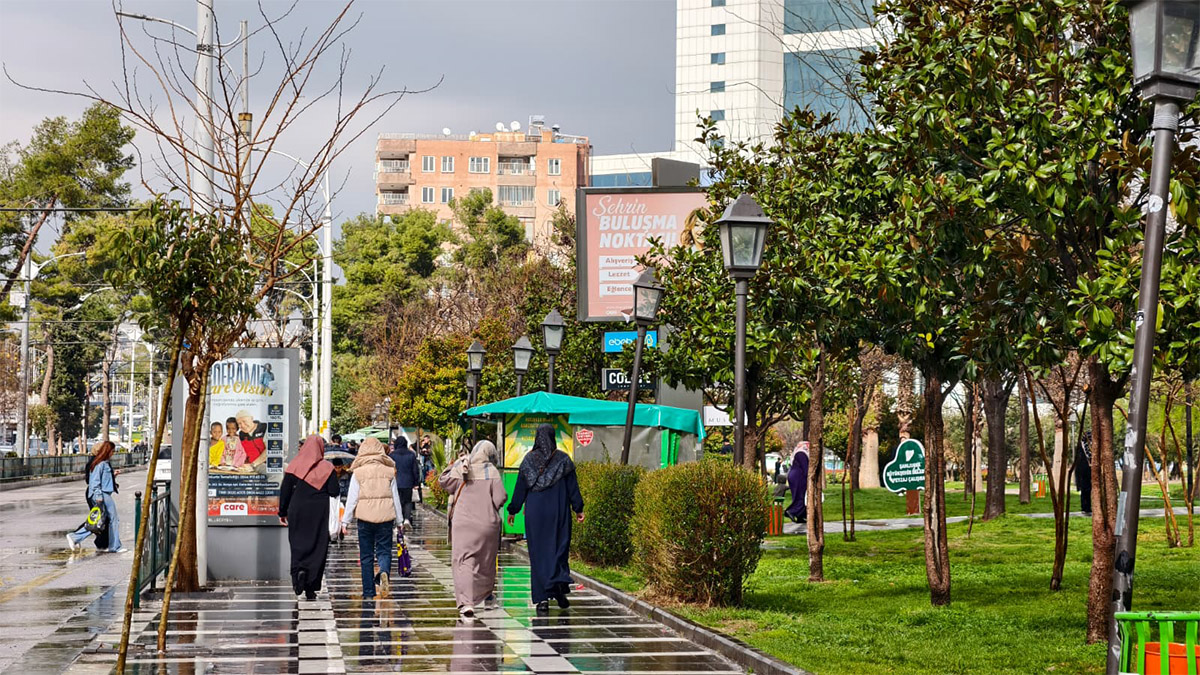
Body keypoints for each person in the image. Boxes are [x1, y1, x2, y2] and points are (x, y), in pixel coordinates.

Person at [506, 424, 584, 613]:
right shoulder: (563, 460)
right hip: (558, 512)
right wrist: (578, 508)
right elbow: (573, 487)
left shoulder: (528, 460)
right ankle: (558, 589)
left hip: (536, 513)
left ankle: (542, 599)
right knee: (559, 549)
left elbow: (520, 488)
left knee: (539, 554)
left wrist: (513, 510)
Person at [439, 440, 508, 618]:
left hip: (463, 525)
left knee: (464, 562)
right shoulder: (491, 471)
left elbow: (443, 481)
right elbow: (500, 498)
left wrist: (456, 463)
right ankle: (486, 595)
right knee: (486, 562)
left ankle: (467, 603)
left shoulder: (462, 467)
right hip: (487, 525)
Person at [340, 437, 405, 600]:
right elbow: (394, 497)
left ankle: (368, 591)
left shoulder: (358, 472)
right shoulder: (389, 471)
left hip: (365, 518)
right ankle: (383, 571)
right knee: (384, 551)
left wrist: (345, 521)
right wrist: (400, 521)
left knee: (366, 555)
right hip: (385, 518)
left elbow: (352, 498)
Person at [279, 435, 340, 600]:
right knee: (317, 547)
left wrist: (282, 512)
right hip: (319, 513)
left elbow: (285, 491)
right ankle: (311, 586)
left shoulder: (294, 466)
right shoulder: (327, 468)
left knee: (298, 545)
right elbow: (334, 491)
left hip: (297, 510)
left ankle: (298, 573)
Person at [66, 440, 126, 553]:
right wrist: (98, 496)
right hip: (102, 494)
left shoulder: (102, 463)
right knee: (112, 520)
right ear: (108, 451)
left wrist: (113, 476)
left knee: (100, 521)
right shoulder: (101, 464)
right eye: (112, 451)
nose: (113, 453)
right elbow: (94, 482)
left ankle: (75, 537)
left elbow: (103, 479)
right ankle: (114, 546)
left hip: (102, 493)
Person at [389, 436, 422, 527]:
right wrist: (416, 482)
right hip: (408, 481)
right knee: (408, 501)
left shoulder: (392, 455)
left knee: (397, 501)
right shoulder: (411, 454)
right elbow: (415, 470)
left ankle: (399, 520)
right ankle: (407, 519)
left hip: (395, 482)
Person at [785, 442, 810, 524]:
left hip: (796, 476)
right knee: (801, 495)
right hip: (799, 477)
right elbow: (805, 468)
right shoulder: (801, 453)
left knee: (799, 495)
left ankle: (800, 516)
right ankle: (791, 511)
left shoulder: (799, 453)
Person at [1074, 432, 1093, 515]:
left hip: (1088, 470)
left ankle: (1087, 507)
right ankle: (1085, 507)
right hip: (1083, 471)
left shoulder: (1088, 447)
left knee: (1088, 489)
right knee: (1085, 489)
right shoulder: (1081, 447)